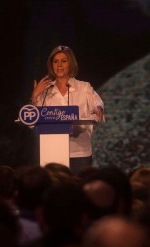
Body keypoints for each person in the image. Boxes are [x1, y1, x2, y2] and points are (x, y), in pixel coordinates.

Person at [30, 45, 105, 176]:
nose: (59, 65)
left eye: (64, 61)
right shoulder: (46, 91)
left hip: (80, 152)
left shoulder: (84, 87)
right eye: (55, 61)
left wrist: (98, 108)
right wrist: (34, 96)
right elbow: (33, 121)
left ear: (71, 64)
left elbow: (98, 102)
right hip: (52, 153)